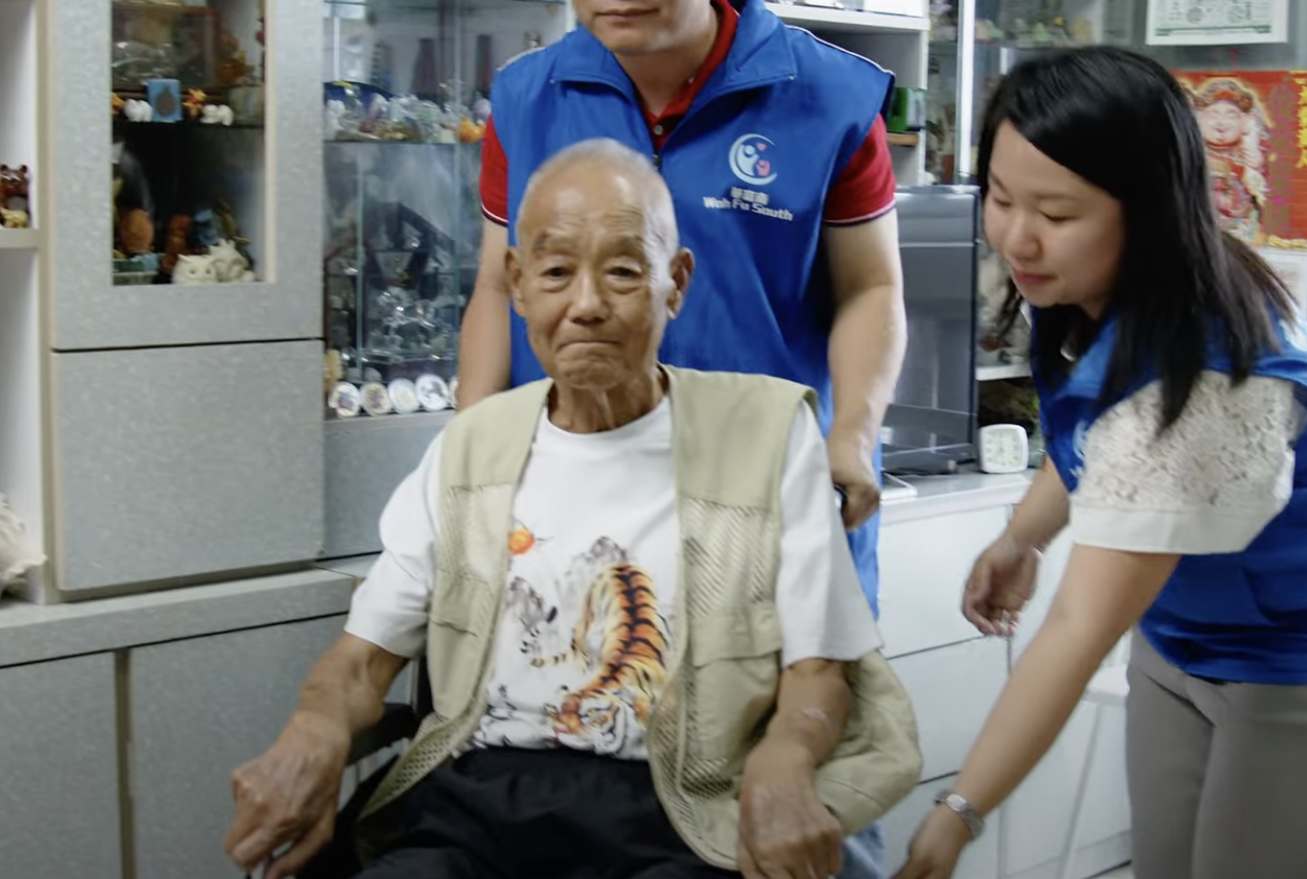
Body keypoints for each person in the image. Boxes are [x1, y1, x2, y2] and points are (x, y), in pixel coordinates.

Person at [226, 140, 919, 879]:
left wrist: (787, 755)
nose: (587, 305)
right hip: (476, 811)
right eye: (556, 272)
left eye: (623, 271)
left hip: (678, 813)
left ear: (675, 284)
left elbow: (819, 669)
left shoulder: (766, 434)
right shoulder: (472, 448)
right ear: (518, 284)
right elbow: (362, 661)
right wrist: (315, 727)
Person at [891, 47, 1307, 879]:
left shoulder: (1209, 377)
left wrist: (959, 812)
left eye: (1057, 213)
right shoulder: (1094, 288)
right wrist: (1022, 538)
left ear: (1148, 212)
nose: (1018, 237)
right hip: (1187, 631)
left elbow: (1079, 627)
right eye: (1000, 198)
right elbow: (1096, 433)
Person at [457, 0, 907, 622]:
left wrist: (853, 437)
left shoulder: (828, 99)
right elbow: (499, 287)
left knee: (791, 688)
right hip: (574, 497)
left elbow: (872, 288)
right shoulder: (527, 98)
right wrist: (471, 448)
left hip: (768, 494)